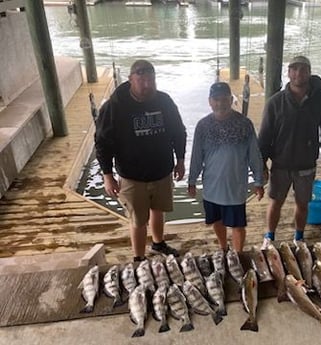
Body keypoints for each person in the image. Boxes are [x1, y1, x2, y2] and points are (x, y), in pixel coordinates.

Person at [95, 59, 186, 261]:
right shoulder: (114, 106)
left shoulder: (164, 101)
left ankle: (158, 243)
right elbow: (102, 142)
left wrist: (180, 159)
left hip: (162, 170)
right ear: (130, 79)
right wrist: (107, 175)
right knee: (137, 219)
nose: (147, 85)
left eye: (151, 80)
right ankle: (138, 257)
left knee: (159, 210)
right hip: (132, 175)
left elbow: (178, 131)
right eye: (142, 80)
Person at [258, 55, 321, 249]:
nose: (298, 73)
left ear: (309, 73)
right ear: (288, 72)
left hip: (306, 164)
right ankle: (269, 237)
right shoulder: (275, 102)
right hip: (281, 163)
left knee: (303, 203)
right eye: (294, 69)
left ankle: (299, 237)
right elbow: (265, 137)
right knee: (276, 201)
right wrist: (261, 165)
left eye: (303, 69)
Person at [188, 82, 264, 253]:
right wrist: (192, 180)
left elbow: (254, 154)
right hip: (212, 186)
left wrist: (259, 181)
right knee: (217, 221)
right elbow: (196, 157)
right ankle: (223, 248)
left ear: (231, 99)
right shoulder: (202, 126)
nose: (220, 103)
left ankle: (237, 255)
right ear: (209, 101)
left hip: (235, 187)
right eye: (216, 99)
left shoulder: (245, 124)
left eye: (224, 99)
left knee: (238, 225)